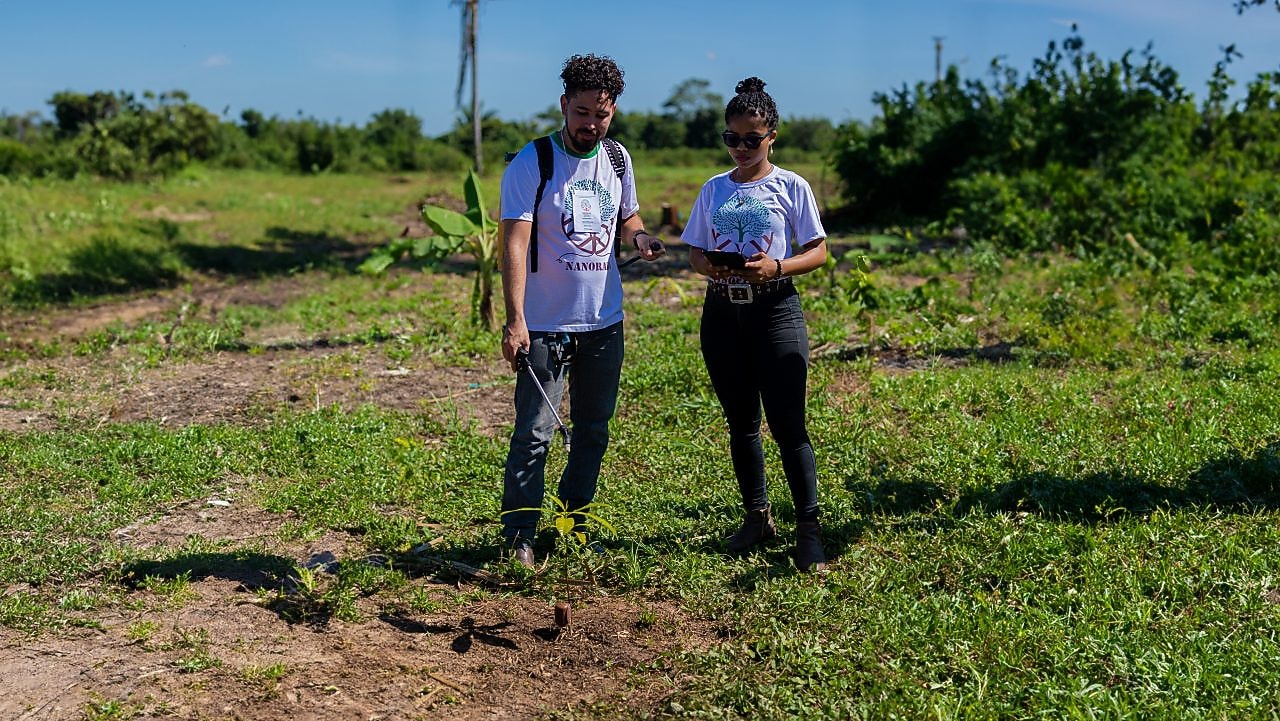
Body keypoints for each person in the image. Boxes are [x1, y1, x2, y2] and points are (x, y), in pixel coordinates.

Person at [497, 54, 664, 568]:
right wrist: (515, 318)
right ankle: (520, 534)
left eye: (603, 114)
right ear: (564, 104)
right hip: (545, 326)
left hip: (603, 322)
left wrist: (639, 236)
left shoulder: (617, 159)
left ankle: (572, 524)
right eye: (584, 112)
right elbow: (515, 242)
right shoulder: (533, 162)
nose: (592, 124)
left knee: (593, 429)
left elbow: (628, 213)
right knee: (534, 434)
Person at [681, 77, 829, 572]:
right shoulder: (713, 188)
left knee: (789, 425)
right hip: (723, 313)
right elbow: (696, 251)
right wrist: (709, 266)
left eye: (751, 139)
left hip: (775, 309)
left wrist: (777, 267)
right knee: (741, 424)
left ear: (772, 137)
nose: (740, 148)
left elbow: (820, 252)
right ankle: (757, 517)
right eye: (731, 138)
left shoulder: (791, 186)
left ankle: (808, 531)